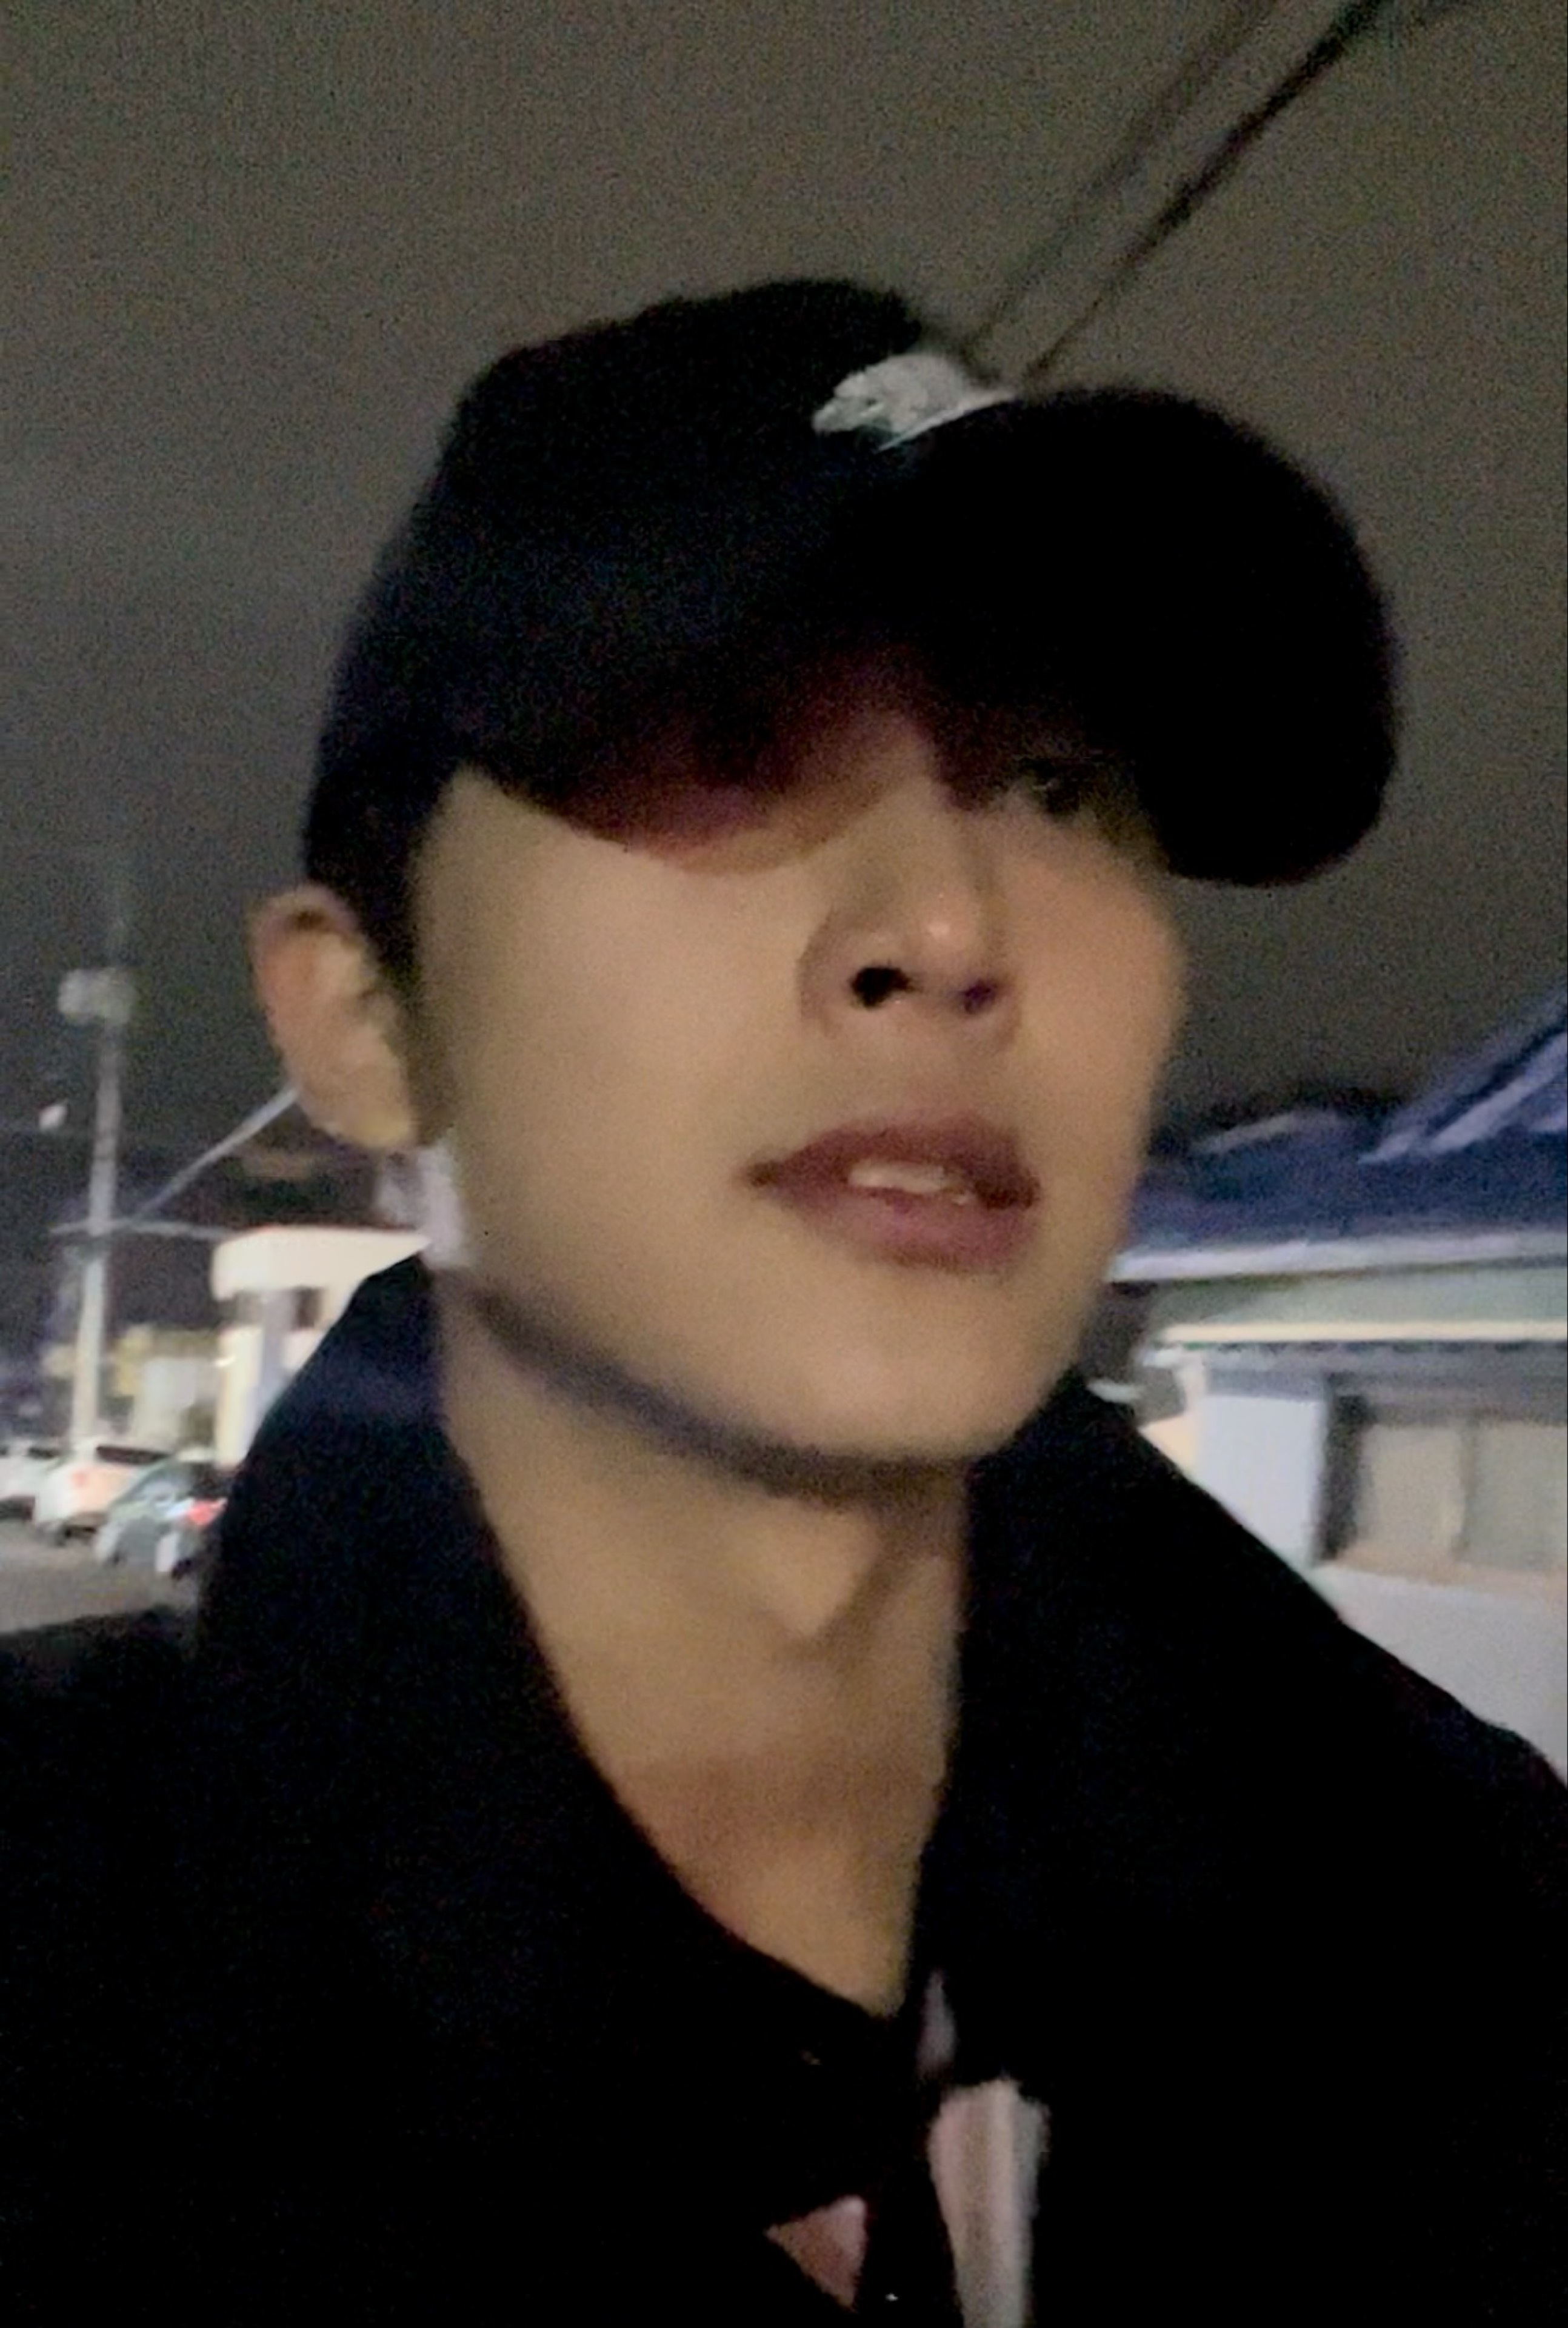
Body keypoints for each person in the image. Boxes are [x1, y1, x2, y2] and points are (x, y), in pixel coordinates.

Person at [1, 279, 1561, 2324]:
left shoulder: (1451, 1923)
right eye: (723, 752)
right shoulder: (69, 1993)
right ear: (366, 1017)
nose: (945, 926)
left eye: (1054, 784)